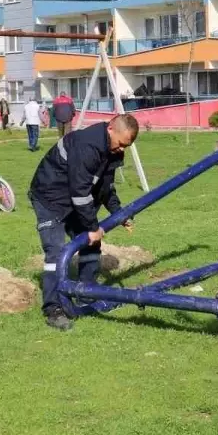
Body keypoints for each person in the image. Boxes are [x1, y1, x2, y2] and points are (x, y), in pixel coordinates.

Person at [29, 115, 140, 330]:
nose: (122, 150)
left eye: (128, 146)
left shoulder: (111, 149)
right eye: (122, 143)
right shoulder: (87, 146)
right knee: (56, 252)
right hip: (49, 198)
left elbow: (104, 187)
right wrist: (92, 227)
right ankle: (54, 309)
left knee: (92, 245)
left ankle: (85, 293)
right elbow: (80, 192)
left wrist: (119, 212)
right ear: (111, 130)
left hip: (72, 199)